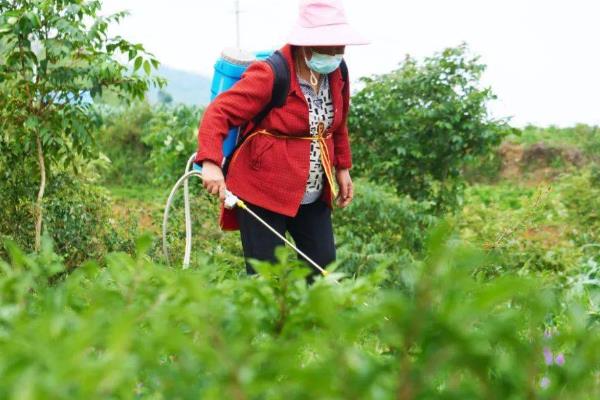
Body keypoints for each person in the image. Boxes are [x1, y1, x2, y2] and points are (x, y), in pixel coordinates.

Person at [195, 0, 369, 279]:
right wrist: (211, 163)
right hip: (261, 191)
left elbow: (338, 123)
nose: (337, 53)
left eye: (341, 46)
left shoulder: (337, 72)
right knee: (267, 280)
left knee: (323, 272)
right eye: (330, 46)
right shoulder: (271, 73)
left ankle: (312, 324)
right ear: (306, 43)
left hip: (311, 192)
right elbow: (219, 112)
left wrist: (342, 168)